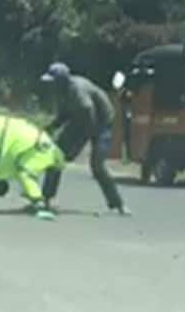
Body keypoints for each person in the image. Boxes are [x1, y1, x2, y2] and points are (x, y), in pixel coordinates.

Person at [40, 62, 130, 215]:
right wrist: (51, 127)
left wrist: (78, 143)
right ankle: (46, 199)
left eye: (53, 82)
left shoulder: (77, 91)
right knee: (56, 157)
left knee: (97, 166)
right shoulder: (62, 92)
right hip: (81, 121)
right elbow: (65, 114)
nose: (50, 86)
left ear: (62, 81)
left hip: (101, 123)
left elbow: (88, 113)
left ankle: (118, 204)